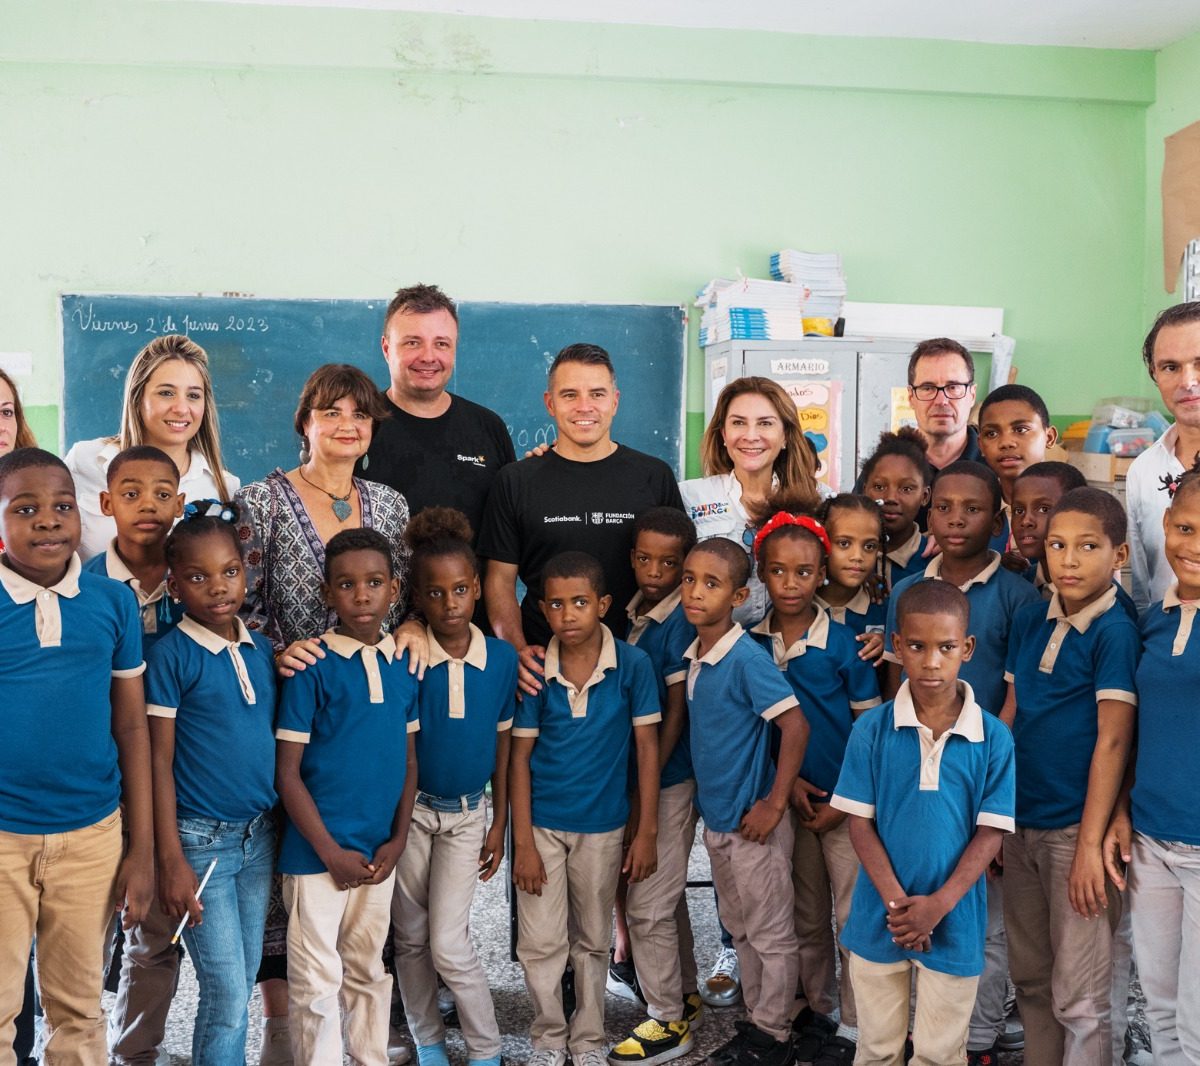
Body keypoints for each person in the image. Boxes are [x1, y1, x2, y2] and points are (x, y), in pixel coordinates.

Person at [234, 363, 424, 1063]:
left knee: (361, 900)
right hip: (289, 698)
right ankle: (287, 1026)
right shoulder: (262, 500)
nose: (347, 424)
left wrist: (409, 630)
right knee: (292, 879)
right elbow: (239, 603)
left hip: (367, 702)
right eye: (330, 411)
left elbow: (402, 601)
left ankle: (367, 1036)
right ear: (303, 420)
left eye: (361, 413)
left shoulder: (391, 504)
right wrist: (277, 653)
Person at [881, 460, 1039, 1063]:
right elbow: (896, 682)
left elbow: (1015, 698)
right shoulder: (908, 590)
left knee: (982, 914)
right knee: (917, 894)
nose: (954, 519)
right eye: (943, 507)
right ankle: (917, 1032)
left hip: (979, 772)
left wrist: (978, 775)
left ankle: (974, 1039)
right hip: (914, 775)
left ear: (995, 517)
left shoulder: (1017, 596)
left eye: (971, 509)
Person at [0, 448, 154, 1062]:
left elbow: (133, 726)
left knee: (80, 1010)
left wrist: (141, 849)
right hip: (4, 837)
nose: (47, 521)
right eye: (25, 508)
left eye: (62, 507)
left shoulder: (112, 603)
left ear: (84, 514)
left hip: (92, 836)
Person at [830, 580, 1016, 1065]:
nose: (931, 661)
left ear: (967, 649)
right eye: (916, 646)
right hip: (879, 917)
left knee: (939, 1052)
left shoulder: (993, 738)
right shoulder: (871, 730)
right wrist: (900, 906)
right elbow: (859, 825)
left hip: (955, 919)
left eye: (946, 647)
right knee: (876, 1048)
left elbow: (990, 833)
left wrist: (937, 906)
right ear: (897, 647)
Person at [1003, 488, 1139, 1066]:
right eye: (1058, 545)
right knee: (1031, 980)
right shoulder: (1033, 618)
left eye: (1088, 547)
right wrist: (991, 816)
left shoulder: (1116, 631)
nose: (1070, 560)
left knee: (1080, 997)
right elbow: (1009, 716)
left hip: (1073, 835)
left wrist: (1089, 846)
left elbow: (1114, 739)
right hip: (1019, 825)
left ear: (1121, 555)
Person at [275, 528, 420, 1066]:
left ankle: (370, 1057)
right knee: (316, 979)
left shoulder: (405, 665)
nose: (362, 595)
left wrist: (399, 838)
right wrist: (329, 852)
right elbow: (287, 775)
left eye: (374, 583)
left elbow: (408, 761)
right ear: (326, 593)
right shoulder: (311, 669)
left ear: (394, 588)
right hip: (316, 856)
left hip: (379, 851)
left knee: (368, 969)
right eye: (347, 584)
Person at [510, 551, 662, 1066]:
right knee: (540, 943)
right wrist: (523, 841)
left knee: (594, 939)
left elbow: (646, 749)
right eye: (556, 604)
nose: (568, 614)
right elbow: (519, 758)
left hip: (604, 827)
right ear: (542, 609)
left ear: (603, 604)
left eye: (580, 602)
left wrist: (645, 832)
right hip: (542, 828)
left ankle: (590, 1039)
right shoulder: (535, 671)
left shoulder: (632, 666)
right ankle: (549, 1038)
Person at [747, 499, 880, 1066]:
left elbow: (870, 731)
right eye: (778, 571)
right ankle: (819, 1011)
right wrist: (792, 784)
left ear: (821, 574)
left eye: (804, 572)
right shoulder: (749, 644)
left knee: (853, 915)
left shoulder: (847, 644)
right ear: (760, 573)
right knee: (804, 913)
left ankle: (856, 1024)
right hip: (791, 800)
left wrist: (848, 802)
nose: (791, 583)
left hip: (845, 806)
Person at [146, 503, 278, 1065]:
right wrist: (169, 860)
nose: (217, 587)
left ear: (246, 571)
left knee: (243, 978)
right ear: (174, 586)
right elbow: (157, 760)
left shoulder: (262, 648)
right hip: (201, 845)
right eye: (197, 577)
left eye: (229, 571)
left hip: (259, 838)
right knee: (224, 991)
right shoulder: (171, 657)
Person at [479, 343, 684, 692]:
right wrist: (516, 650)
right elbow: (499, 580)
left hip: (638, 666)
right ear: (550, 403)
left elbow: (678, 577)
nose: (584, 407)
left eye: (597, 394)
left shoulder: (654, 476)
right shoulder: (515, 481)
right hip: (545, 671)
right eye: (570, 394)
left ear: (615, 401)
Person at [392, 508, 517, 1066]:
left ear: (477, 590)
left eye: (461, 590)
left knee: (448, 942)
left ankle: (487, 1050)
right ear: (416, 598)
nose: (450, 604)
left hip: (469, 818)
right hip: (413, 816)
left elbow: (507, 747)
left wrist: (500, 822)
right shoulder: (409, 658)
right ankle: (430, 1045)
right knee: (411, 942)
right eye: (435, 593)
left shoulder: (501, 659)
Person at [680, 536, 808, 1065]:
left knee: (772, 934)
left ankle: (774, 1032)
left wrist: (774, 804)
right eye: (689, 578)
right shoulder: (696, 654)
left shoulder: (745, 658)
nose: (695, 592)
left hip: (755, 826)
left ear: (738, 597)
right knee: (741, 931)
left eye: (711, 584)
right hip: (720, 824)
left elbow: (795, 726)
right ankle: (758, 1022)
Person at [87, 446, 188, 1066]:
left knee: (154, 932)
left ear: (179, 502)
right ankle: (75, 1042)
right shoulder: (86, 586)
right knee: (86, 928)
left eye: (160, 493)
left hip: (178, 780)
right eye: (130, 494)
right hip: (101, 781)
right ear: (106, 504)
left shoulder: (202, 580)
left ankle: (136, 1050)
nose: (147, 505)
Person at [1105, 466, 1200, 1064]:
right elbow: (1133, 734)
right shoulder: (1155, 619)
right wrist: (1120, 812)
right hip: (1151, 843)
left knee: (1197, 1022)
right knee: (1160, 1008)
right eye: (1186, 527)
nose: (1195, 545)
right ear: (1165, 523)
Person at [610, 508, 701, 1065]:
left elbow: (674, 715)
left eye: (670, 563)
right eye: (644, 558)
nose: (654, 570)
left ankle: (667, 1019)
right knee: (661, 898)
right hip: (641, 778)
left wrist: (645, 789)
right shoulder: (633, 614)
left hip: (667, 780)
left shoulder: (679, 625)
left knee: (646, 904)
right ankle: (684, 994)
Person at [359, 284, 516, 546]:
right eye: (412, 342)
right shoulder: (357, 426)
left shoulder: (489, 428)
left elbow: (505, 540)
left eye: (441, 344)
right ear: (386, 349)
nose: (428, 356)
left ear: (454, 349)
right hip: (378, 588)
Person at [64, 334, 239, 560]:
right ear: (138, 398)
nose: (182, 408)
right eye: (166, 393)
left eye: (194, 395)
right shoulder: (86, 461)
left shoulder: (224, 487)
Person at [679, 377, 823, 628]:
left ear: (786, 435)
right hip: (711, 649)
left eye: (765, 423)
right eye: (738, 423)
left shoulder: (820, 500)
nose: (751, 436)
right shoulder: (690, 497)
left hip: (792, 652)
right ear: (723, 434)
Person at [1127, 301, 1200, 610]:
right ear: (1154, 373)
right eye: (1171, 367)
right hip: (1165, 647)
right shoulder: (1143, 471)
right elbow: (1142, 587)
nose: (1187, 381)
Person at [977, 384, 1058, 556]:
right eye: (991, 434)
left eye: (1021, 430)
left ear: (1049, 437)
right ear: (981, 446)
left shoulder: (1075, 507)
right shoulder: (974, 515)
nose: (1006, 442)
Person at [814, 494, 887, 660]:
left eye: (869, 546)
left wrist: (888, 647)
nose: (857, 556)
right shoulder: (799, 606)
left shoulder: (883, 609)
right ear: (821, 542)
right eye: (844, 543)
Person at [858, 428, 932, 590]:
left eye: (906, 489)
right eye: (879, 486)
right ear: (864, 490)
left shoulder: (936, 561)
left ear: (925, 496)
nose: (890, 497)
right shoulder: (844, 559)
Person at [1010, 461, 1088, 596]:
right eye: (1018, 510)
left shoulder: (1096, 592)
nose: (1026, 521)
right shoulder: (1021, 583)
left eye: (1043, 509)